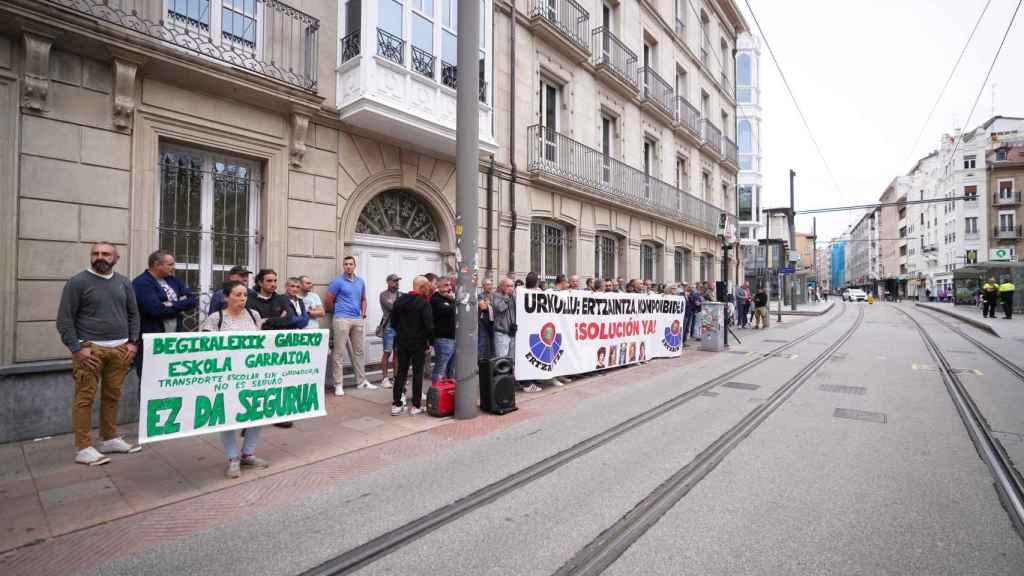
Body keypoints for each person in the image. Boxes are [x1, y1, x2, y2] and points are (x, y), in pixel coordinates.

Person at [57, 242, 142, 466]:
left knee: (112, 395)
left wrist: (133, 343)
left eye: (105, 253)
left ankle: (109, 438)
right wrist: (77, 348)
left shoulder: (123, 282)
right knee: (84, 398)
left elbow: (134, 314)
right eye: (95, 253)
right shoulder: (77, 282)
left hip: (121, 350)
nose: (100, 257)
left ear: (116, 257)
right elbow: (64, 320)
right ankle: (83, 447)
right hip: (90, 350)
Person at [201, 280, 269, 478]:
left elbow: (262, 342)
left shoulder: (253, 315)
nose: (242, 299)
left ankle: (248, 453)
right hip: (226, 377)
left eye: (245, 295)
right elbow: (204, 346)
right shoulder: (216, 318)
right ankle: (232, 459)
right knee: (227, 417)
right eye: (238, 294)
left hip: (252, 375)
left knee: (257, 412)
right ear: (226, 297)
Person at [132, 250, 197, 374]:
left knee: (171, 376)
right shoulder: (142, 283)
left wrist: (170, 304)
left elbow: (193, 301)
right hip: (153, 340)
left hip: (174, 339)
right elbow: (154, 310)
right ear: (157, 264)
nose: (174, 267)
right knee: (150, 378)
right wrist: (180, 304)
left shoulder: (173, 280)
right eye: (170, 264)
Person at [325, 256, 377, 395]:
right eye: (346, 264)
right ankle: (338, 384)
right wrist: (337, 311)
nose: (348, 266)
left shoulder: (360, 281)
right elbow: (328, 300)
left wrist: (363, 313)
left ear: (355, 266)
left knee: (359, 352)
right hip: (342, 319)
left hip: (357, 319)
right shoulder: (337, 282)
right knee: (339, 352)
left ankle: (361, 381)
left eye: (351, 264)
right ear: (343, 266)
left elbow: (363, 299)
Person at [389, 276, 434, 416]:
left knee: (401, 372)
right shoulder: (423, 303)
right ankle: (415, 406)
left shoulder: (400, 300)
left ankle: (396, 404)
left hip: (402, 341)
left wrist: (402, 332)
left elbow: (393, 322)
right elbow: (429, 326)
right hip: (418, 343)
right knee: (417, 373)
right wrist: (430, 342)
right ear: (422, 287)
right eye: (426, 286)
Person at [377, 274, 402, 388]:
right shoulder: (383, 295)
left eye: (397, 281)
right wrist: (401, 306)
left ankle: (397, 377)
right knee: (387, 352)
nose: (396, 283)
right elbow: (392, 308)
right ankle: (384, 378)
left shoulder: (401, 294)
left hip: (399, 327)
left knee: (397, 353)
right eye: (394, 281)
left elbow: (404, 309)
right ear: (388, 282)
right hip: (389, 327)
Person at [431, 276, 457, 383]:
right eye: (446, 285)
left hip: (453, 337)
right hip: (443, 338)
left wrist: (452, 300)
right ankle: (436, 392)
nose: (449, 288)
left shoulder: (449, 299)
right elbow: (447, 311)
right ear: (438, 286)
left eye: (450, 285)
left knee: (452, 369)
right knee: (441, 367)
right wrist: (454, 302)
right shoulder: (435, 299)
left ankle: (449, 392)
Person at [492, 277, 516, 359]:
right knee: (501, 359)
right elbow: (500, 308)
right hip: (501, 333)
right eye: (508, 286)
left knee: (511, 359)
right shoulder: (496, 296)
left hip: (512, 332)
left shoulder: (513, 297)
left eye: (512, 286)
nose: (510, 288)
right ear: (502, 286)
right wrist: (506, 297)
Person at [478, 278, 495, 361]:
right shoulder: (480, 295)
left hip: (493, 322)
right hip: (483, 322)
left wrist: (488, 303)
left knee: (493, 342)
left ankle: (493, 361)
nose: (490, 286)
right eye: (487, 285)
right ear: (483, 286)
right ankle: (479, 361)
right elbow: (483, 307)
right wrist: (488, 304)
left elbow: (496, 306)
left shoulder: (494, 295)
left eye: (490, 284)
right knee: (482, 342)